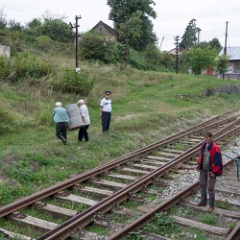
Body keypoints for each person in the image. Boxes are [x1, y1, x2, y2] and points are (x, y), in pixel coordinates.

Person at [196, 131, 223, 213]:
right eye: (205, 138)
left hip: (212, 169)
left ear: (211, 138)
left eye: (207, 138)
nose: (206, 139)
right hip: (204, 168)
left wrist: (214, 172)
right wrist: (198, 164)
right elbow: (201, 156)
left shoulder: (215, 147)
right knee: (202, 184)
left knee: (210, 187)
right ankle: (203, 202)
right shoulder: (203, 145)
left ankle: (211, 206)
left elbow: (218, 162)